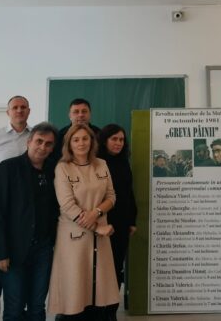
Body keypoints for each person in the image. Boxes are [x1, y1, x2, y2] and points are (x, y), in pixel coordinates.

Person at [48, 124, 118, 320]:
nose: (81, 143)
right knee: (75, 289)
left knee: (98, 290)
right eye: (76, 139)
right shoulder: (63, 168)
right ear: (69, 144)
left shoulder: (102, 164)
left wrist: (96, 212)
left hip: (100, 235)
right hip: (74, 236)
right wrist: (97, 227)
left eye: (85, 139)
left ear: (92, 141)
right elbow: (67, 206)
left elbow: (111, 196)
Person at [0, 122, 59, 321]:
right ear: (29, 142)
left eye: (48, 144)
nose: (42, 147)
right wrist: (0, 253)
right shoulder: (8, 168)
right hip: (14, 250)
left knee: (37, 307)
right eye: (39, 141)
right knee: (15, 307)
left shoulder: (54, 170)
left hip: (43, 249)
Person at [0, 94, 32, 321]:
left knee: (19, 273)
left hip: (25, 209)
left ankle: (17, 312)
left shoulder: (35, 136)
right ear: (8, 112)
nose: (19, 110)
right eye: (15, 107)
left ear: (29, 111)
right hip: (0, 204)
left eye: (23, 107)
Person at [97, 124, 138, 310]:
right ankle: (98, 310)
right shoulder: (96, 162)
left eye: (121, 139)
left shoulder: (123, 162)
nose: (118, 143)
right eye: (114, 139)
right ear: (104, 141)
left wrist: (132, 221)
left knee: (116, 268)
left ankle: (111, 310)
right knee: (101, 269)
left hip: (121, 224)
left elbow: (129, 193)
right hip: (101, 223)